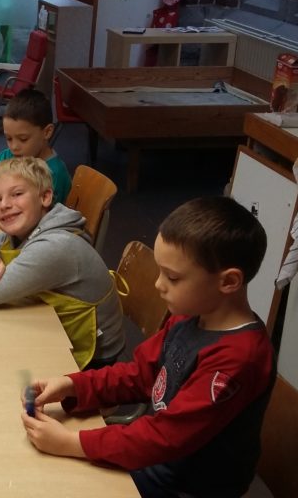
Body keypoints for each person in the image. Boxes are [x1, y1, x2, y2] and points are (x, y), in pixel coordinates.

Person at [20, 196, 276, 498]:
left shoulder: (239, 359)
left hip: (184, 486)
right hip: (157, 460)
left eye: (173, 277)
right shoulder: (191, 316)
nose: (158, 285)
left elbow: (164, 438)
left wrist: (71, 443)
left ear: (229, 282)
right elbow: (141, 374)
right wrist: (73, 386)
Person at [0, 157, 124, 369]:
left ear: (45, 197)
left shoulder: (54, 247)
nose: (5, 205)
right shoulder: (20, 233)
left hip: (94, 359)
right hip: (52, 326)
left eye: (17, 194)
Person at [0, 89, 71, 206]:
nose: (14, 147)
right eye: (9, 138)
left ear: (47, 132)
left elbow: (45, 213)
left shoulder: (55, 174)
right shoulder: (10, 156)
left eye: (23, 139)